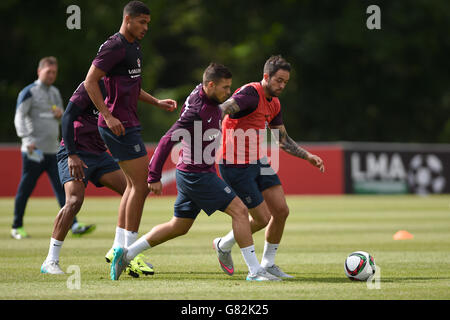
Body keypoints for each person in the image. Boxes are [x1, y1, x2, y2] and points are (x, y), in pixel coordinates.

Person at [110, 63, 280, 281]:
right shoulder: (196, 111)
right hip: (197, 174)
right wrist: (153, 175)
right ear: (210, 85)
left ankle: (127, 253)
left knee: (179, 226)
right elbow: (166, 140)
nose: (229, 92)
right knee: (239, 210)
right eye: (225, 88)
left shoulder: (205, 96)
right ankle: (255, 271)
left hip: (192, 171)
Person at [213, 55, 325, 279]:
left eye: (285, 82)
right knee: (262, 218)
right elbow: (223, 108)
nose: (282, 86)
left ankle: (268, 263)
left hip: (258, 162)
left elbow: (282, 140)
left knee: (281, 211)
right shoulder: (250, 94)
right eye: (279, 81)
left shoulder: (274, 103)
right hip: (235, 164)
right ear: (266, 77)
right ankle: (226, 247)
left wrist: (307, 156)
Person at [84, 1, 177, 263]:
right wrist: (107, 115)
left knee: (131, 187)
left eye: (148, 23)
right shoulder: (114, 46)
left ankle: (118, 248)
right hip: (118, 126)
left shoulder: (134, 46)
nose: (146, 27)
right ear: (128, 19)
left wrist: (156, 102)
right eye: (142, 22)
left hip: (128, 124)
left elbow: (132, 87)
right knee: (143, 185)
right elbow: (90, 81)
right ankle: (128, 253)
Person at [40, 79, 153, 277]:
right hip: (75, 152)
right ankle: (50, 260)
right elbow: (67, 117)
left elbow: (136, 91)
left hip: (99, 153)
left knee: (136, 188)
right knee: (74, 201)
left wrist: (158, 103)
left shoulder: (119, 84)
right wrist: (72, 155)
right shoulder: (90, 84)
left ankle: (121, 249)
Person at [12, 56, 95, 240]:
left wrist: (59, 114)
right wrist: (27, 138)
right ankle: (17, 226)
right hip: (34, 151)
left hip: (53, 150)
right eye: (48, 72)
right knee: (26, 189)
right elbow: (19, 116)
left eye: (54, 72)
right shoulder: (29, 92)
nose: (51, 75)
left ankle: (73, 225)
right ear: (39, 71)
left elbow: (62, 116)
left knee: (62, 189)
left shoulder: (55, 93)